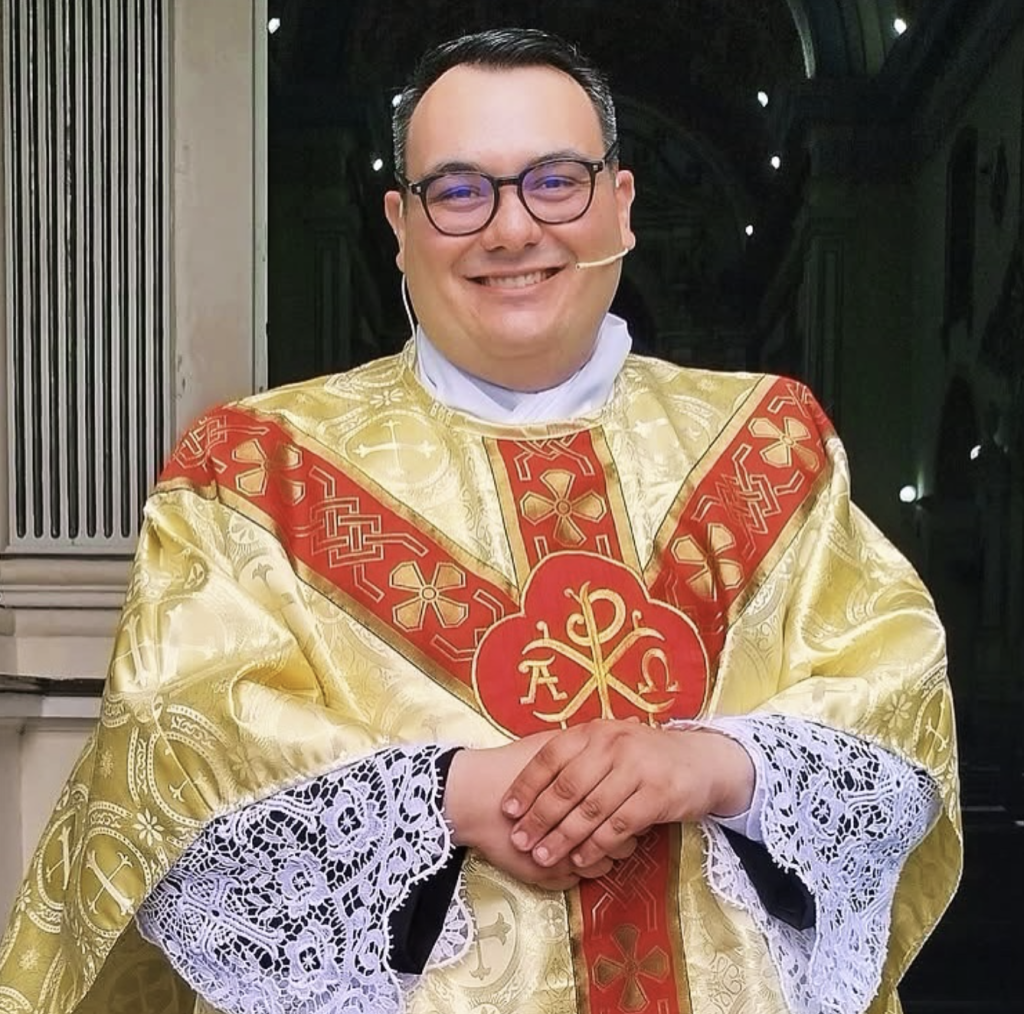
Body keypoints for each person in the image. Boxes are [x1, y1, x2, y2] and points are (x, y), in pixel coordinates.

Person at [0, 27, 960, 1014]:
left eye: (557, 181)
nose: (511, 228)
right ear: (400, 224)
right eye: (459, 191)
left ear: (621, 205)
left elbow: (892, 710)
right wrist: (449, 795)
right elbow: (171, 765)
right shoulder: (251, 473)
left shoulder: (771, 445)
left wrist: (714, 765)